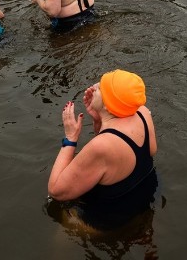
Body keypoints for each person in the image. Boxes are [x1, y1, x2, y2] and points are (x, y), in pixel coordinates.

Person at [48, 70, 158, 227]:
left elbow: (56, 191)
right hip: (145, 199)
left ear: (108, 105)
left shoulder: (101, 146)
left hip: (112, 221)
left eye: (101, 88)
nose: (94, 87)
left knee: (60, 221)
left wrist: (70, 139)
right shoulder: (143, 113)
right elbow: (147, 151)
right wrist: (99, 119)